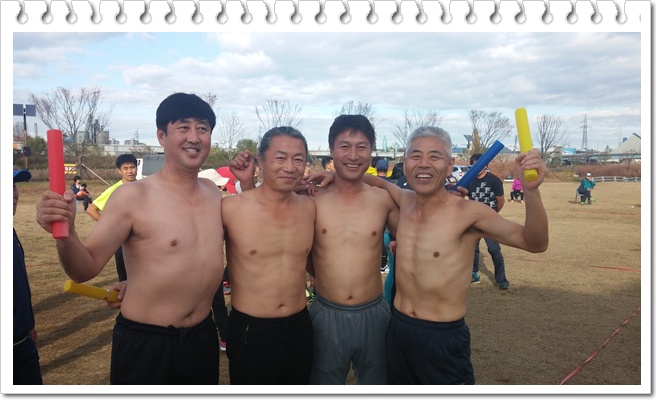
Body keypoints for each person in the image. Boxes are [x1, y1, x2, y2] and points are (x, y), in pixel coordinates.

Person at [35, 92, 223, 385]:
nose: (194, 137)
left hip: (201, 337)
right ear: (162, 135)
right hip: (146, 342)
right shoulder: (132, 196)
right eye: (183, 127)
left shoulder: (213, 193)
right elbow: (84, 268)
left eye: (203, 128)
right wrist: (66, 234)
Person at [365, 126, 548, 384]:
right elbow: (375, 181)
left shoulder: (469, 213)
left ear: (450, 164)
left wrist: (531, 190)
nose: (423, 163)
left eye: (435, 156)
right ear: (405, 164)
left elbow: (535, 242)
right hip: (398, 329)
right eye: (415, 155)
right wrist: (330, 177)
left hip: (442, 337)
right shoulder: (405, 200)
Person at [304, 115, 398, 385]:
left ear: (371, 151)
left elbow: (418, 227)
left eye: (362, 147)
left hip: (374, 313)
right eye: (344, 146)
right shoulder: (312, 198)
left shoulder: (383, 199)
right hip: (326, 313)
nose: (353, 155)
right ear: (331, 150)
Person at [223, 127, 316, 385]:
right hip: (251, 330)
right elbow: (193, 251)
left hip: (299, 326)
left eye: (298, 159)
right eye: (280, 157)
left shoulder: (309, 207)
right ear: (261, 161)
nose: (290, 167)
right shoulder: (231, 208)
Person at [86, 154, 138, 282]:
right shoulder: (114, 190)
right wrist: (111, 228)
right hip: (122, 240)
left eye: (132, 167)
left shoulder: (144, 186)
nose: (130, 171)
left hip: (142, 238)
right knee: (125, 278)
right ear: (119, 171)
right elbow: (91, 209)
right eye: (125, 168)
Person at [13, 170, 44, 385]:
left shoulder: (10, 232)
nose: (12, 194)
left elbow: (18, 285)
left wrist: (28, 325)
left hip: (22, 344)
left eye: (13, 187)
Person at [467, 153, 510, 290]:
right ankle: (474, 274)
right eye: (475, 165)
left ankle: (501, 279)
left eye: (481, 164)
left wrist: (493, 215)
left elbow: (500, 200)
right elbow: (468, 198)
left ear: (486, 165)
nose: (478, 168)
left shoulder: (494, 181)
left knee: (494, 250)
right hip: (474, 222)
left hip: (490, 222)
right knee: (473, 249)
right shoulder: (469, 181)